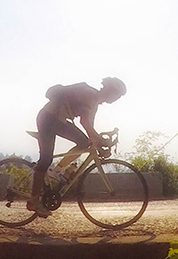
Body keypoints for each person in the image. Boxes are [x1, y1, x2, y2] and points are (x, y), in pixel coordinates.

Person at [26, 77, 127, 217]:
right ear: (111, 92)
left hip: (57, 121)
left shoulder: (94, 103)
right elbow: (85, 122)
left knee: (84, 143)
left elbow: (90, 132)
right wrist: (101, 141)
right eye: (117, 95)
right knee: (46, 159)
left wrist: (99, 145)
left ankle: (57, 171)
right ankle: (34, 199)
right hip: (49, 118)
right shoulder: (90, 95)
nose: (116, 99)